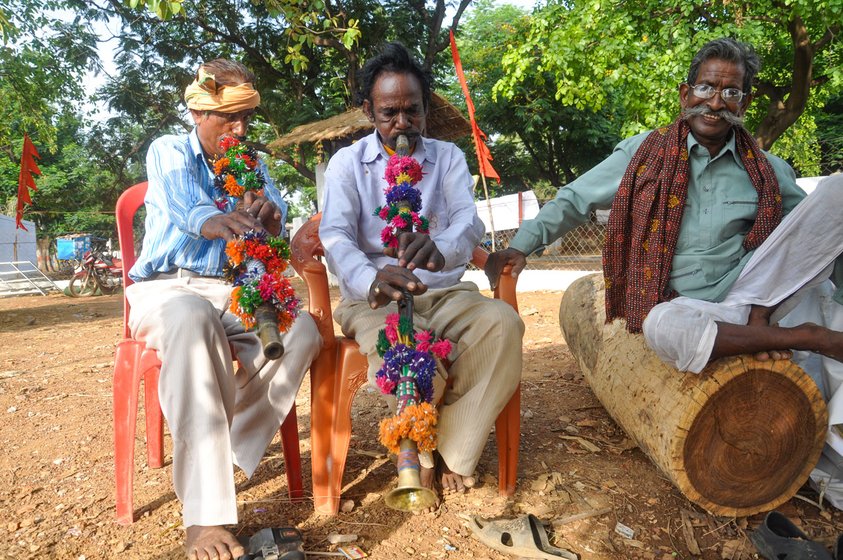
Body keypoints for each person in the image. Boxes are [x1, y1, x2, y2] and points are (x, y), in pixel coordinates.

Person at [485, 37, 843, 374]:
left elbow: (812, 234)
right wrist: (519, 246)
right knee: (659, 325)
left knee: (838, 190)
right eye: (706, 88)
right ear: (686, 95)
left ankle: (759, 328)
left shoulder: (767, 168)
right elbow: (576, 198)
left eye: (730, 92)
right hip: (686, 305)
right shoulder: (643, 154)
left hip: (756, 290)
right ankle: (805, 337)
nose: (716, 103)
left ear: (745, 103)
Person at [127, 59, 320, 560]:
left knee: (303, 333)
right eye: (227, 119)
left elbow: (274, 226)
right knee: (192, 321)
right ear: (197, 112)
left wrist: (271, 216)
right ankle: (205, 518)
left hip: (235, 291)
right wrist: (219, 219)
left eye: (245, 119)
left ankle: (215, 443)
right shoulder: (168, 150)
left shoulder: (253, 164)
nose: (239, 130)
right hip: (168, 290)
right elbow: (187, 208)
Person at [319, 42, 524, 498]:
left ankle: (455, 448)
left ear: (425, 110)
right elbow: (334, 236)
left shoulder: (447, 156)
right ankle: (419, 456)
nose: (402, 125)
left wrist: (438, 249)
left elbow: (466, 224)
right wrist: (372, 277)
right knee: (399, 347)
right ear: (369, 111)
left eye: (412, 112)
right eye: (389, 113)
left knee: (502, 324)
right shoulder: (346, 165)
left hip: (445, 291)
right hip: (374, 298)